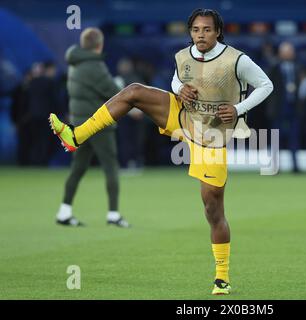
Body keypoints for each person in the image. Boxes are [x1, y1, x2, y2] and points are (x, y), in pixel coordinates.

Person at [49, 9, 273, 295]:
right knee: (133, 92)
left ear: (218, 31)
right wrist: (180, 88)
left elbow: (266, 84)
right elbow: (176, 80)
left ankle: (221, 277)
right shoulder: (184, 55)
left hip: (212, 134)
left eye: (206, 29)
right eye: (195, 30)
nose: (200, 35)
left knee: (212, 208)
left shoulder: (238, 60)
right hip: (182, 117)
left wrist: (239, 109)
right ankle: (76, 135)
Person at [54, 27, 130, 228]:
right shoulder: (95, 65)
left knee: (77, 168)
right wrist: (119, 82)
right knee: (110, 167)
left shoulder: (75, 63)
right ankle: (113, 215)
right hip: (98, 125)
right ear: (100, 44)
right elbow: (114, 92)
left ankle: (64, 212)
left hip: (78, 124)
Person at [267, 41, 301, 172]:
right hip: (279, 108)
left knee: (294, 137)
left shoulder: (298, 68)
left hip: (293, 107)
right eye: (285, 52)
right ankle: (275, 166)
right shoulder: (274, 68)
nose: (288, 54)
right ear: (280, 54)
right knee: (276, 138)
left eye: (290, 51)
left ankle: (295, 166)